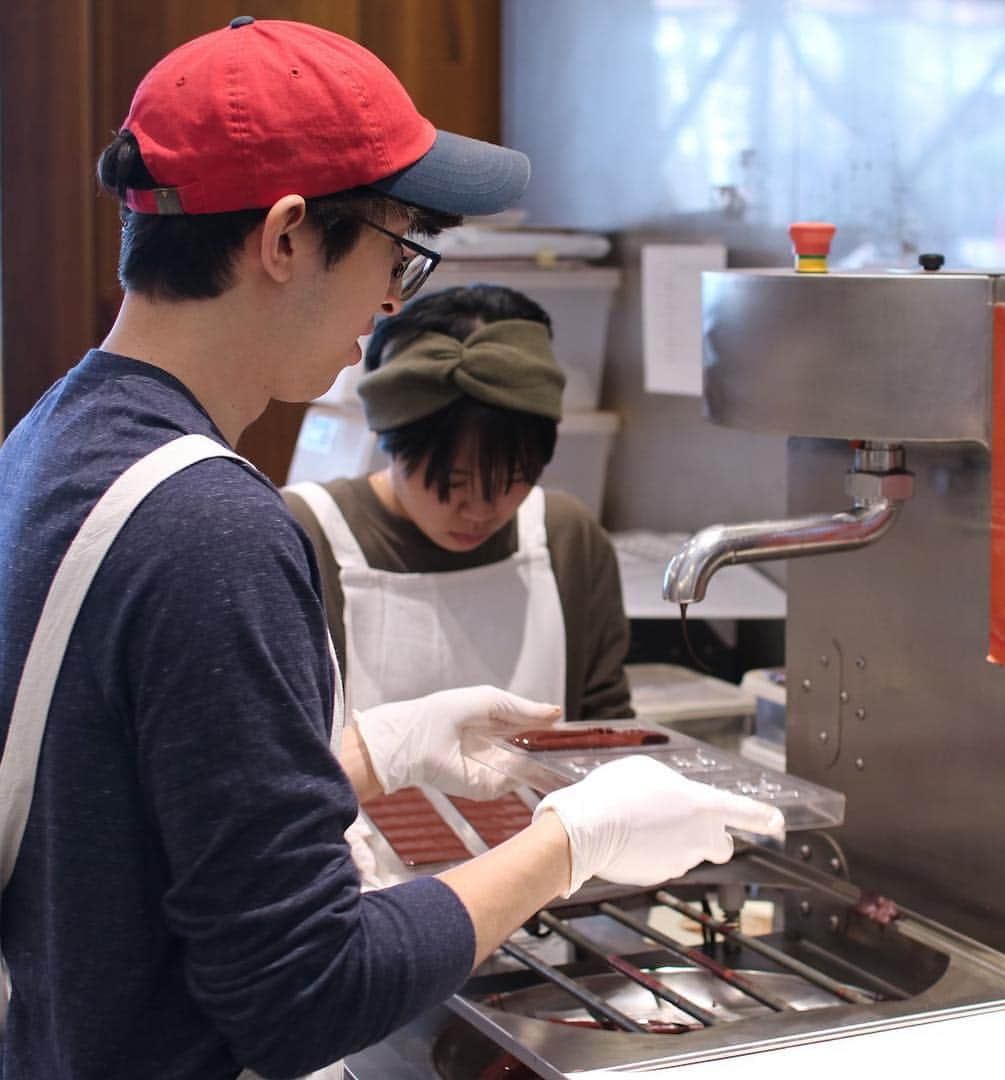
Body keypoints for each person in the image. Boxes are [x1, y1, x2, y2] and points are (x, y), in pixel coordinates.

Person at [0, 18, 783, 1080]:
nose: (387, 302)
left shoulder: (51, 439)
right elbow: (305, 990)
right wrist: (571, 846)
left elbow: (141, 826)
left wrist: (375, 752)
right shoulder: (211, 530)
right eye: (396, 248)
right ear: (284, 238)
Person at [283, 283, 633, 730]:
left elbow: (606, 728)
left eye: (511, 480)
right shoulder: (305, 534)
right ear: (393, 445)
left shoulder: (566, 536)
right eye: (453, 482)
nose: (480, 511)